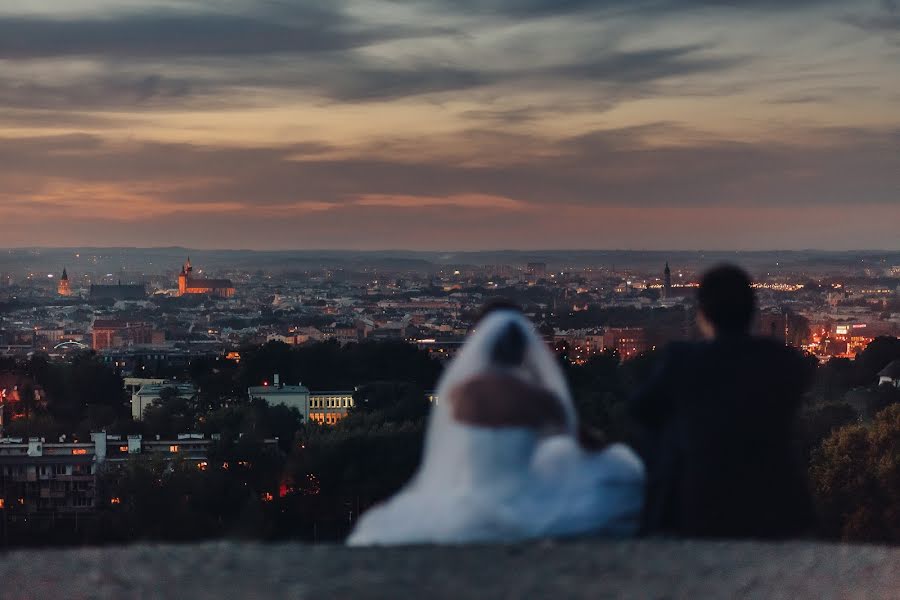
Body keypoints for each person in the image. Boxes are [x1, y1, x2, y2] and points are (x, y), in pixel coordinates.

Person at [347, 307, 645, 546]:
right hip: (525, 495)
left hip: (469, 494)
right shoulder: (536, 397)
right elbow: (580, 439)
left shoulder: (462, 395)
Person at [630, 264, 816, 539]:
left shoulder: (682, 361)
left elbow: (641, 411)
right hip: (779, 504)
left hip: (702, 502)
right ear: (752, 313)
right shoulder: (784, 361)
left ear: (703, 314)